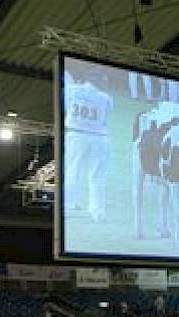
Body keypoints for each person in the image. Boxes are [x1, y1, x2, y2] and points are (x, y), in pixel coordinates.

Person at [63, 68, 113, 222]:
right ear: (98, 81)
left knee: (73, 171)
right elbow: (106, 118)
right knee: (97, 176)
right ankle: (97, 212)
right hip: (99, 138)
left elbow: (66, 108)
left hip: (76, 134)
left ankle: (69, 204)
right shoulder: (106, 98)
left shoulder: (72, 90)